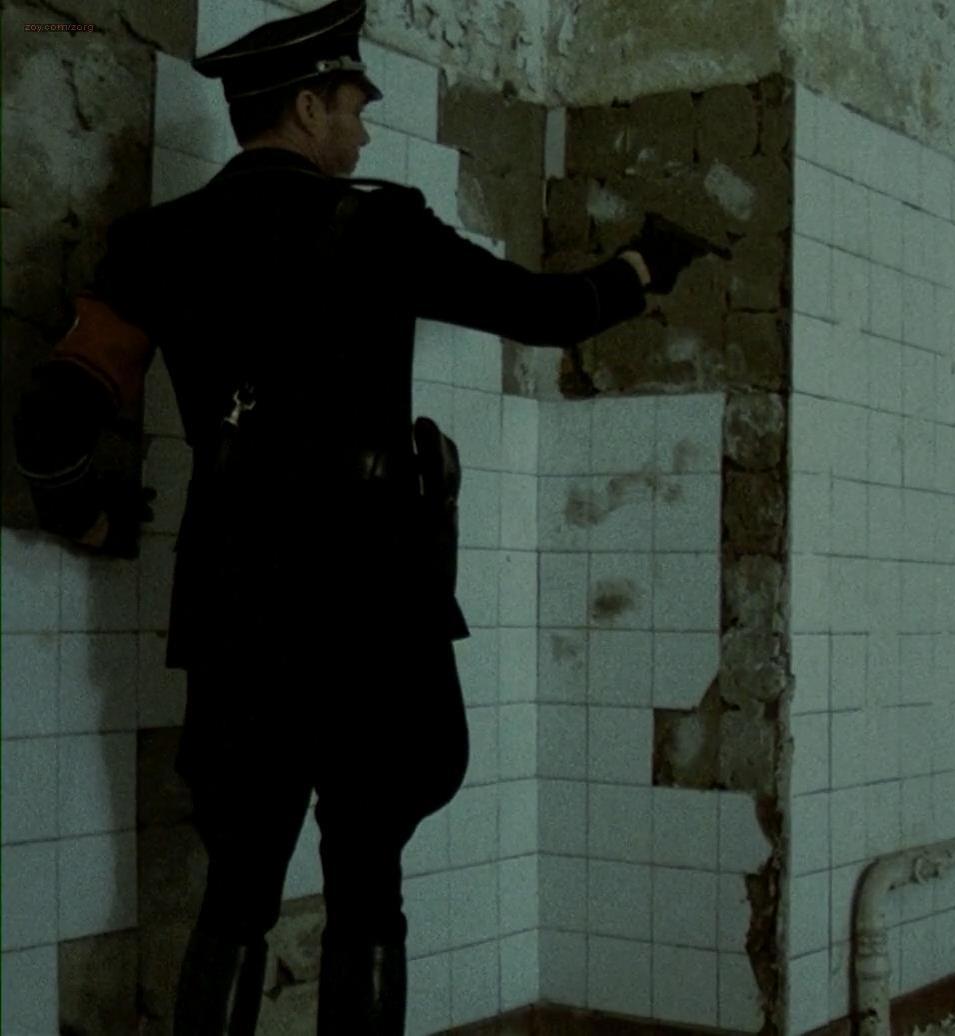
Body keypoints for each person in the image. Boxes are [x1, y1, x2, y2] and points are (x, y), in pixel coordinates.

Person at [10, 2, 724, 1031]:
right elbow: (546, 312)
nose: (363, 130)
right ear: (308, 107)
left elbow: (51, 418)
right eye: (352, 106)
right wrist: (644, 267)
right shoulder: (381, 226)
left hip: (237, 606)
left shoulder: (156, 243)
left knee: (236, 890)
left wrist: (83, 517)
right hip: (373, 605)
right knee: (368, 884)